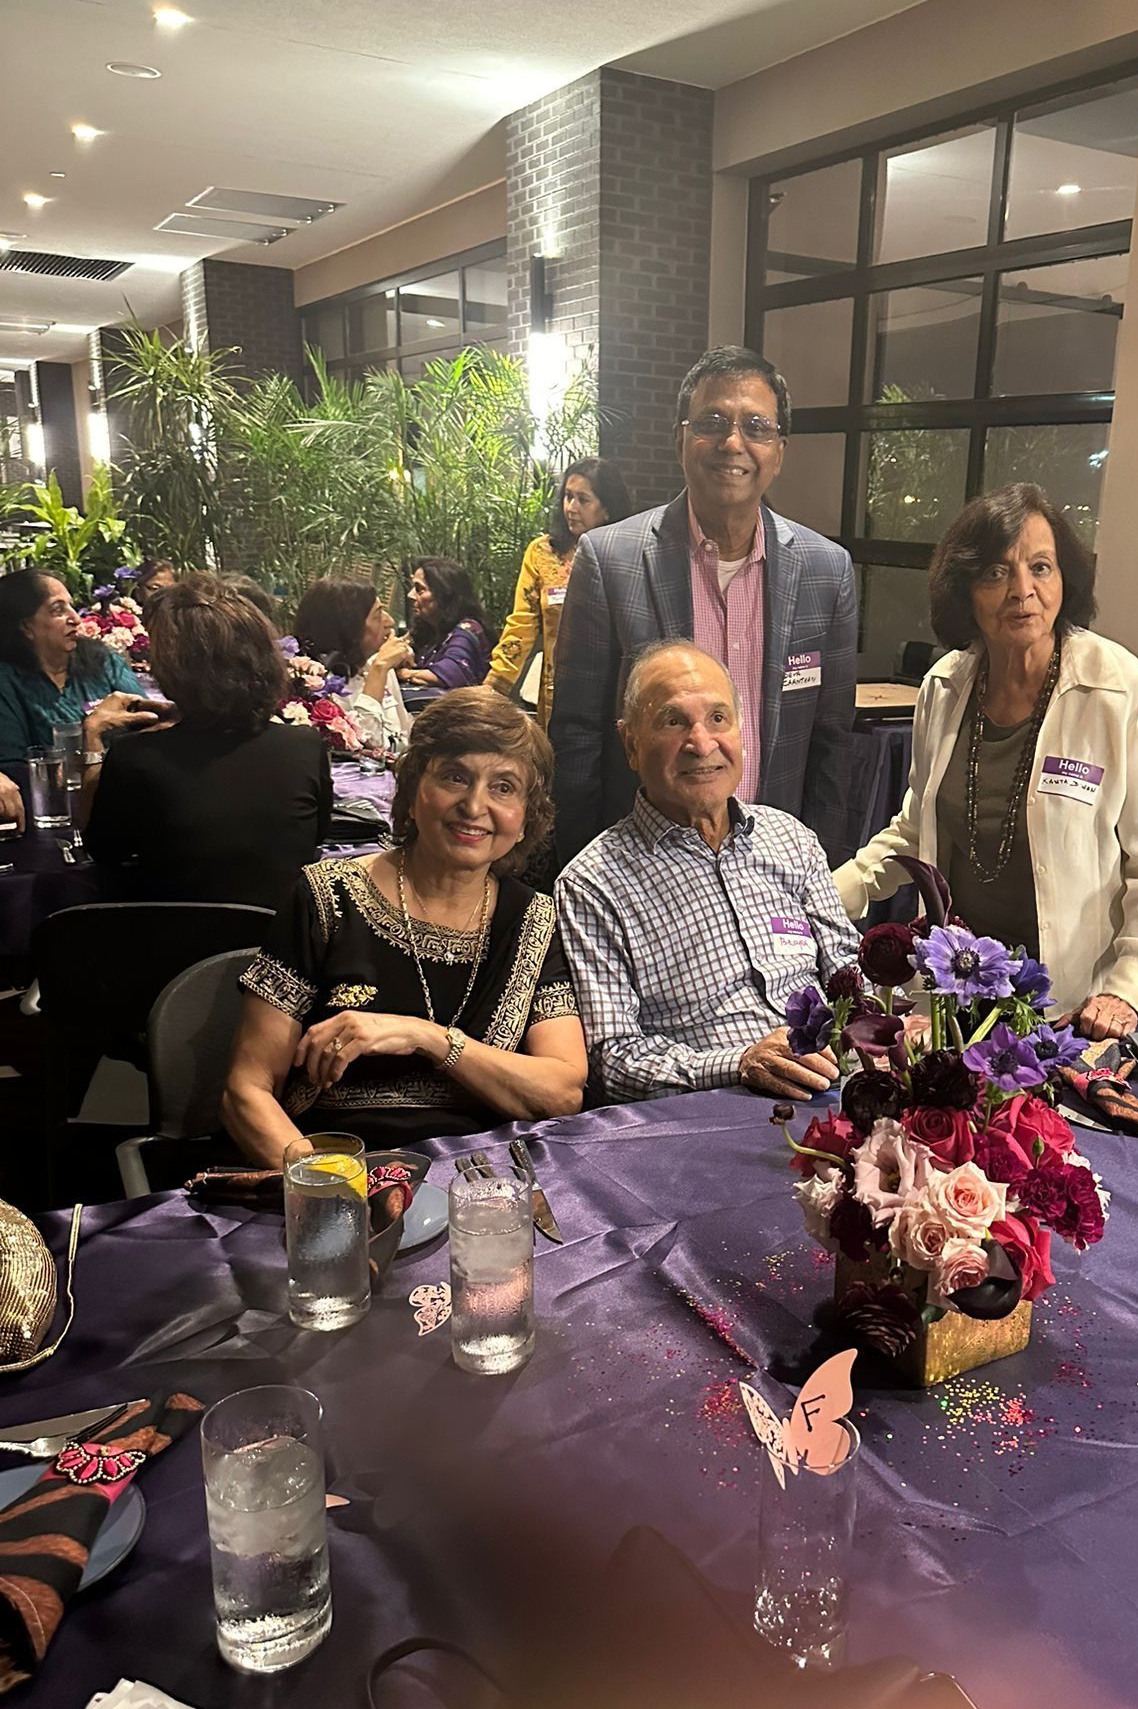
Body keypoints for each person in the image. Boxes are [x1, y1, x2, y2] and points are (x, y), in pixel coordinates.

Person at [835, 484, 1138, 1043]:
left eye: (1041, 567)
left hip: (1068, 1004)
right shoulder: (945, 685)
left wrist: (1127, 987)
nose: (1023, 591)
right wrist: (831, 893)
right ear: (966, 590)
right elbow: (917, 828)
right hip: (954, 989)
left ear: (1065, 579)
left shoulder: (1124, 695)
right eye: (996, 573)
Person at [223, 687, 586, 1158]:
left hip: (486, 1178)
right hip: (337, 1163)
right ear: (412, 790)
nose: (475, 806)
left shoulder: (535, 921)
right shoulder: (327, 898)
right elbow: (246, 1091)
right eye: (455, 777)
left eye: (503, 787)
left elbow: (561, 1093)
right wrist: (331, 1188)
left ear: (525, 819)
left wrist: (427, 1038)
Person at [548, 350, 857, 865]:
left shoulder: (827, 571)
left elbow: (833, 743)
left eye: (756, 427)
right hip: (641, 865)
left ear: (779, 451)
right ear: (680, 439)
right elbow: (577, 735)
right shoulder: (609, 561)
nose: (733, 442)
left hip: (775, 869)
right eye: (712, 422)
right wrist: (583, 870)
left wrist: (823, 867)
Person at [556, 641, 858, 1104]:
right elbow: (613, 1060)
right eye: (673, 721)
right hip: (710, 1110)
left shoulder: (790, 839)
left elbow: (847, 973)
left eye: (718, 718)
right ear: (631, 744)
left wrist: (885, 1028)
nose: (701, 744)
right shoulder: (593, 884)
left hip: (836, 1088)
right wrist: (739, 1064)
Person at [85, 577, 331, 908]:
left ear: (171, 668)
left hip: (170, 939)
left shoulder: (136, 757)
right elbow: (316, 836)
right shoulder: (304, 745)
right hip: (283, 937)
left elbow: (103, 851)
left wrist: (92, 739)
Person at [486, 459, 631, 727]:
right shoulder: (543, 553)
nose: (571, 508)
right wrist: (494, 686)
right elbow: (521, 625)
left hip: (615, 695)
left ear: (607, 509)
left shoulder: (627, 555)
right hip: (558, 696)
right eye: (568, 496)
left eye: (582, 500)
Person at [0, 566, 152, 770]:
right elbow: (12, 767)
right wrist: (92, 733)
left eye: (71, 606)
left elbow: (147, 723)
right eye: (58, 610)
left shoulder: (101, 660)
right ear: (26, 627)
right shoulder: (7, 681)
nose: (75, 619)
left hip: (124, 779)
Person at [293, 577, 412, 756]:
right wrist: (378, 671)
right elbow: (364, 746)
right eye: (378, 615)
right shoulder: (317, 685)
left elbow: (405, 734)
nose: (389, 622)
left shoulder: (376, 662)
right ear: (349, 628)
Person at [400, 559, 490, 691]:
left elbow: (450, 674)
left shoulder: (467, 629)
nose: (410, 595)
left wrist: (404, 673)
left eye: (419, 589)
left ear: (444, 594)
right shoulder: (428, 629)